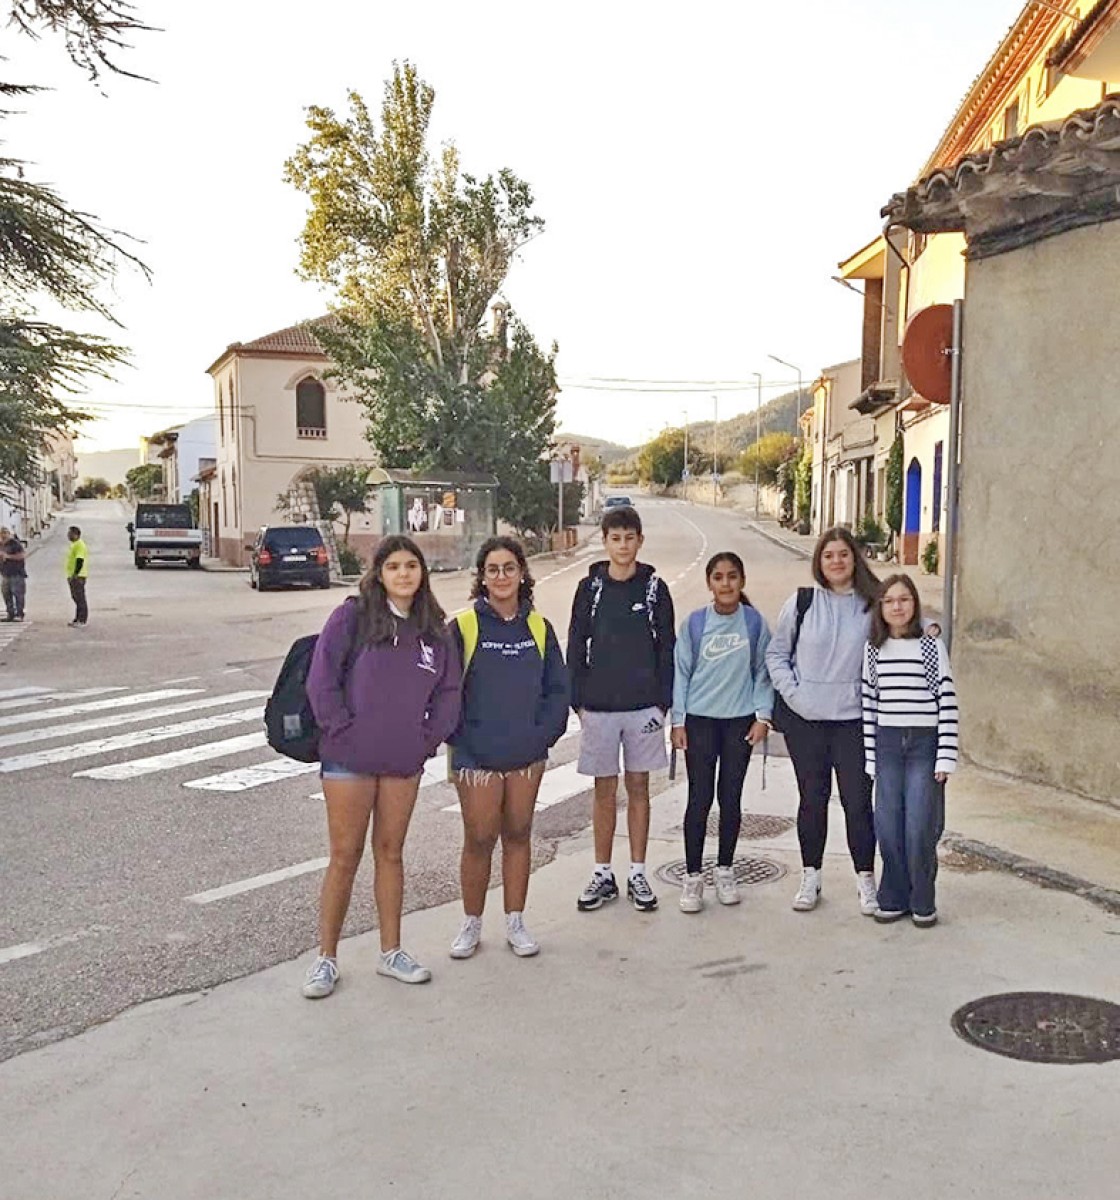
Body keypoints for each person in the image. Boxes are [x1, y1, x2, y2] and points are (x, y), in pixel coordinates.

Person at [301, 535, 461, 998]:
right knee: (345, 855)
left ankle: (391, 951)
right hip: (348, 762)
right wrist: (341, 732)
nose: (404, 574)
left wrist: (426, 741)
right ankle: (325, 960)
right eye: (394, 567)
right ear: (379, 574)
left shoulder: (434, 629)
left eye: (412, 566)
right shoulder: (352, 617)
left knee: (390, 854)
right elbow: (322, 679)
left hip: (401, 763)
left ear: (422, 574)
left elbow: (448, 693)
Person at [447, 536, 570, 960]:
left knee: (518, 835)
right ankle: (471, 923)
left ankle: (515, 921)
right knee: (479, 838)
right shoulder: (464, 627)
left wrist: (543, 737)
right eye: (492, 569)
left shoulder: (538, 628)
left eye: (509, 568)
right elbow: (445, 693)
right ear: (482, 577)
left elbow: (558, 689)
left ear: (522, 574)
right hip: (475, 757)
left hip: (526, 754)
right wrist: (463, 738)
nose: (501, 576)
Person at [767, 526, 883, 916]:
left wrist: (931, 629)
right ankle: (811, 876)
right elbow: (776, 655)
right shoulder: (802, 603)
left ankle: (866, 880)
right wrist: (796, 695)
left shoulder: (873, 605)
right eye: (829, 555)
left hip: (854, 722)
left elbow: (905, 635)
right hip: (807, 723)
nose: (836, 561)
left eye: (843, 554)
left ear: (854, 559)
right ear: (819, 561)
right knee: (811, 801)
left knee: (857, 803)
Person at [568, 505, 675, 913]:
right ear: (605, 541)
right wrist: (577, 700)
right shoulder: (589, 589)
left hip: (643, 709)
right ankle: (602, 872)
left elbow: (668, 647)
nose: (623, 545)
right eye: (615, 538)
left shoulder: (654, 589)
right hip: (598, 707)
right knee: (603, 792)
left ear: (640, 541)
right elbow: (575, 643)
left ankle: (638, 873)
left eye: (630, 538)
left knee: (640, 789)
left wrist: (663, 704)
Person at [671, 552, 774, 912]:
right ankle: (693, 876)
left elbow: (764, 672)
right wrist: (678, 722)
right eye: (718, 577)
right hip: (699, 722)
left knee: (730, 798)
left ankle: (726, 869)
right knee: (699, 799)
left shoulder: (755, 623)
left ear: (742, 581)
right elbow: (680, 673)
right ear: (709, 583)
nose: (726, 583)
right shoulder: (695, 624)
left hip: (739, 723)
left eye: (732, 576)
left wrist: (763, 717)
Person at [861, 574, 958, 927]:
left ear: (914, 604)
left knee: (919, 826)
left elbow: (946, 701)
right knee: (887, 825)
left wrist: (945, 755)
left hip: (924, 744)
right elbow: (869, 704)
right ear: (881, 608)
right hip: (887, 744)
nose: (897, 606)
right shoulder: (874, 649)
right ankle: (893, 895)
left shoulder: (930, 647)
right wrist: (871, 757)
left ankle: (922, 899)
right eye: (889, 601)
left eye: (904, 599)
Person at [0, 527, 27, 622]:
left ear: (9, 534)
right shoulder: (1, 545)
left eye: (5, 533)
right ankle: (10, 614)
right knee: (6, 594)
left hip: (17, 573)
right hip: (5, 574)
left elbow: (22, 555)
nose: (3, 535)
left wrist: (8, 556)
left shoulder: (15, 544)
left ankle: (19, 614)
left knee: (18, 594)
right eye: (1, 533)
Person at [65, 526, 89, 628]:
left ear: (76, 534)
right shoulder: (74, 545)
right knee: (75, 597)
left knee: (80, 598)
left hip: (78, 576)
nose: (68, 535)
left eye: (70, 533)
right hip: (73, 576)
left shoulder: (79, 545)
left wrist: (75, 574)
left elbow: (80, 560)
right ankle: (77, 618)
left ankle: (82, 620)